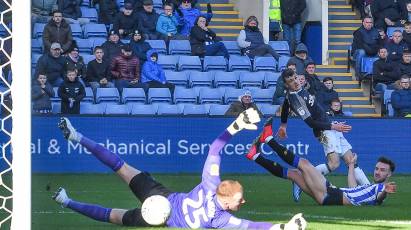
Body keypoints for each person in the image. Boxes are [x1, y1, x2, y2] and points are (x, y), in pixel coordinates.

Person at [53, 110, 307, 229]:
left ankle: (77, 138)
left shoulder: (211, 183)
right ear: (227, 200)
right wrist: (285, 227)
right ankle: (66, 201)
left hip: (160, 198)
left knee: (120, 166)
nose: (243, 202)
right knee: (114, 215)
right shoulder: (221, 220)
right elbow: (253, 227)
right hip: (158, 215)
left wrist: (237, 124)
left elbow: (214, 149)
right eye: (240, 200)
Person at [246, 118, 397, 206]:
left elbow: (380, 199)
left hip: (332, 194)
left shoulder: (379, 189)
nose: (377, 172)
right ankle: (255, 156)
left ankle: (268, 139)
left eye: (382, 170)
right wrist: (351, 165)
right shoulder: (370, 187)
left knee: (304, 164)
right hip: (329, 196)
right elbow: (352, 187)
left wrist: (384, 191)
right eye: (377, 168)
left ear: (389, 174)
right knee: (294, 175)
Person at [277, 69, 370, 201]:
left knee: (351, 161)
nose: (295, 82)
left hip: (330, 125)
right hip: (323, 130)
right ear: (287, 85)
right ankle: (301, 179)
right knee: (334, 164)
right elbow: (310, 123)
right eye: (290, 81)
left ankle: (369, 189)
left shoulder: (297, 91)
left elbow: (285, 105)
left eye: (295, 78)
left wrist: (283, 125)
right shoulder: (295, 99)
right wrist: (333, 126)